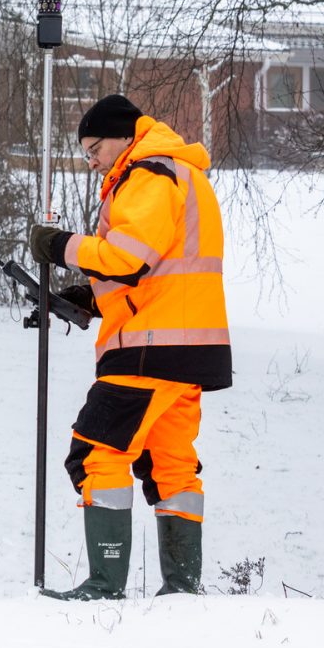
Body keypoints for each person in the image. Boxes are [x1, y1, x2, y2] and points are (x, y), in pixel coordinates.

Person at [28, 94, 231, 600]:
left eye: (94, 147)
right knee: (171, 464)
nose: (91, 160)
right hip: (186, 347)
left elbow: (128, 257)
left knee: (99, 451)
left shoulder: (148, 174)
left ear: (124, 136)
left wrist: (59, 246)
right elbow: (159, 273)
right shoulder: (182, 174)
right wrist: (91, 299)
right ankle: (182, 590)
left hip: (146, 350)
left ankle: (104, 585)